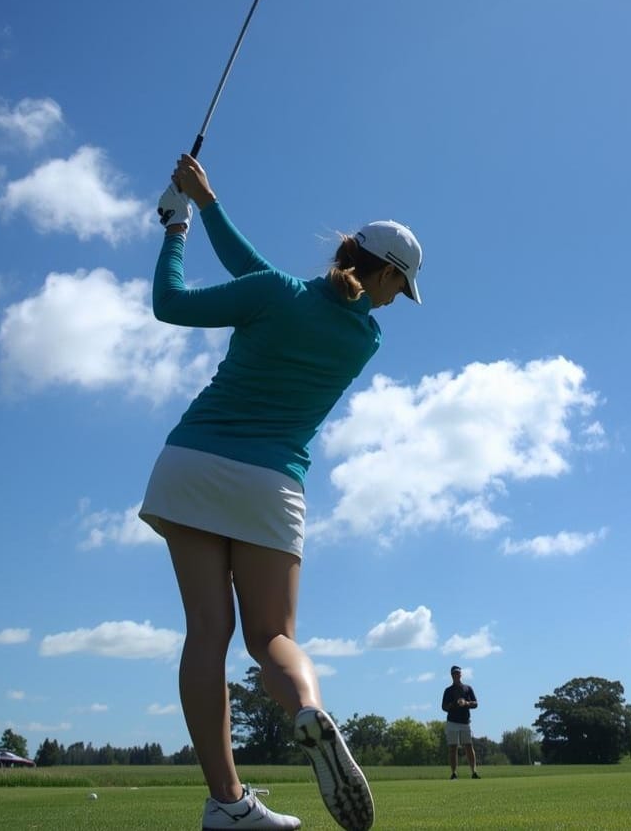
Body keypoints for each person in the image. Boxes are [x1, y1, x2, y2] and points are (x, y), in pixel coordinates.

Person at [139, 155, 423, 831]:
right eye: (398, 285)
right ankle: (306, 709)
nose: (394, 299)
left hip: (193, 464)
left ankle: (227, 803)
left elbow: (174, 303)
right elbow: (266, 279)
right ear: (381, 271)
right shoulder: (365, 337)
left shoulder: (275, 293)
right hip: (271, 483)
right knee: (271, 636)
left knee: (207, 631)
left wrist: (177, 225)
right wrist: (206, 204)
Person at [441, 665, 480, 780]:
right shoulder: (448, 691)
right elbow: (443, 707)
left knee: (469, 746)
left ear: (461, 675)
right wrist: (454, 704)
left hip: (465, 722)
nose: (456, 675)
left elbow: (476, 703)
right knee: (453, 748)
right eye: (454, 674)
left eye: (458, 673)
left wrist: (466, 703)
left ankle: (474, 772)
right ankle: (454, 773)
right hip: (452, 722)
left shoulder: (468, 688)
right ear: (452, 675)